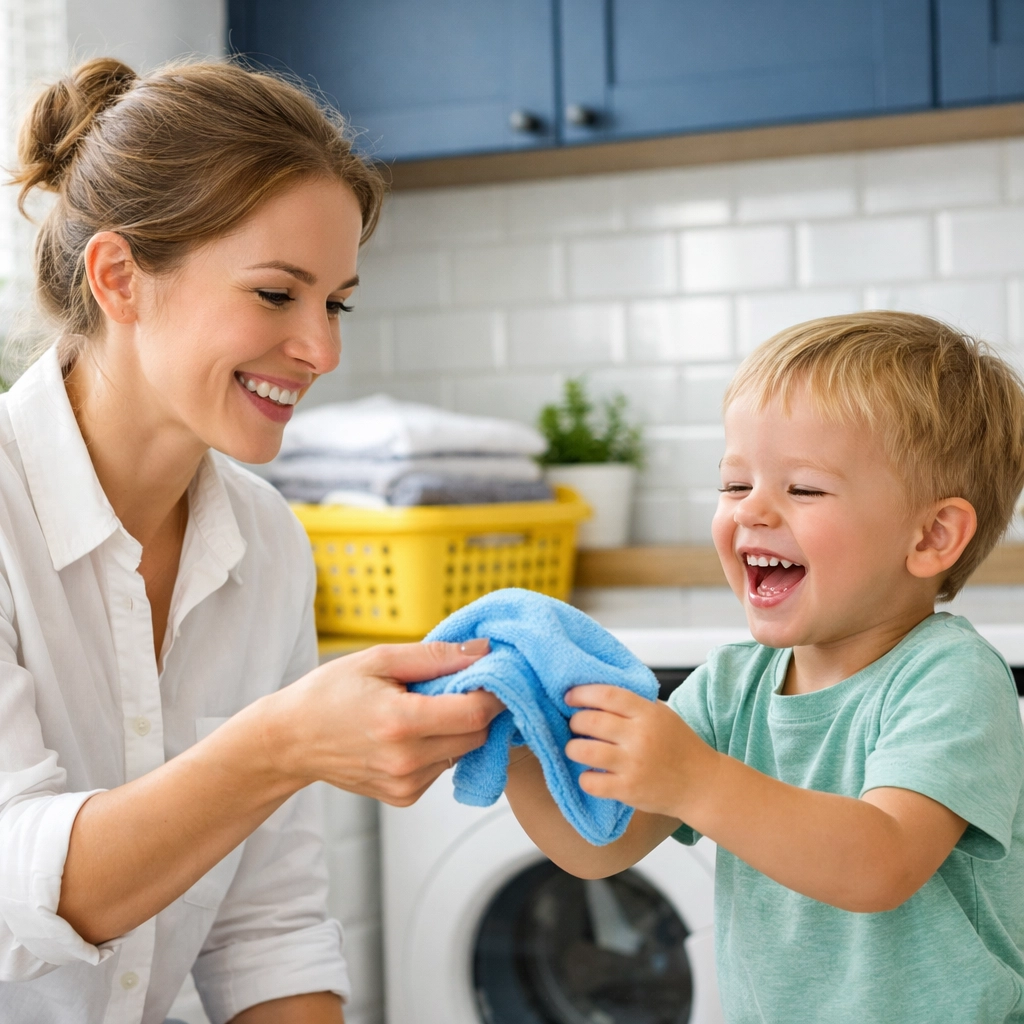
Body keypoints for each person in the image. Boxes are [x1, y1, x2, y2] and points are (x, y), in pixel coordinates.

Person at [0, 57, 503, 1023]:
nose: (323, 350)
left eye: (336, 302)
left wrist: (285, 748)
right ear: (118, 278)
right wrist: (283, 744)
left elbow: (266, 930)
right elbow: (24, 889)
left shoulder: (266, 540)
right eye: (277, 295)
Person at [506, 312, 1024, 1023]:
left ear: (932, 535)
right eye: (734, 485)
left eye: (803, 489)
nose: (752, 511)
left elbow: (881, 863)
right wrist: (516, 735)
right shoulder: (730, 686)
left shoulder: (950, 679)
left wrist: (697, 779)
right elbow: (601, 843)